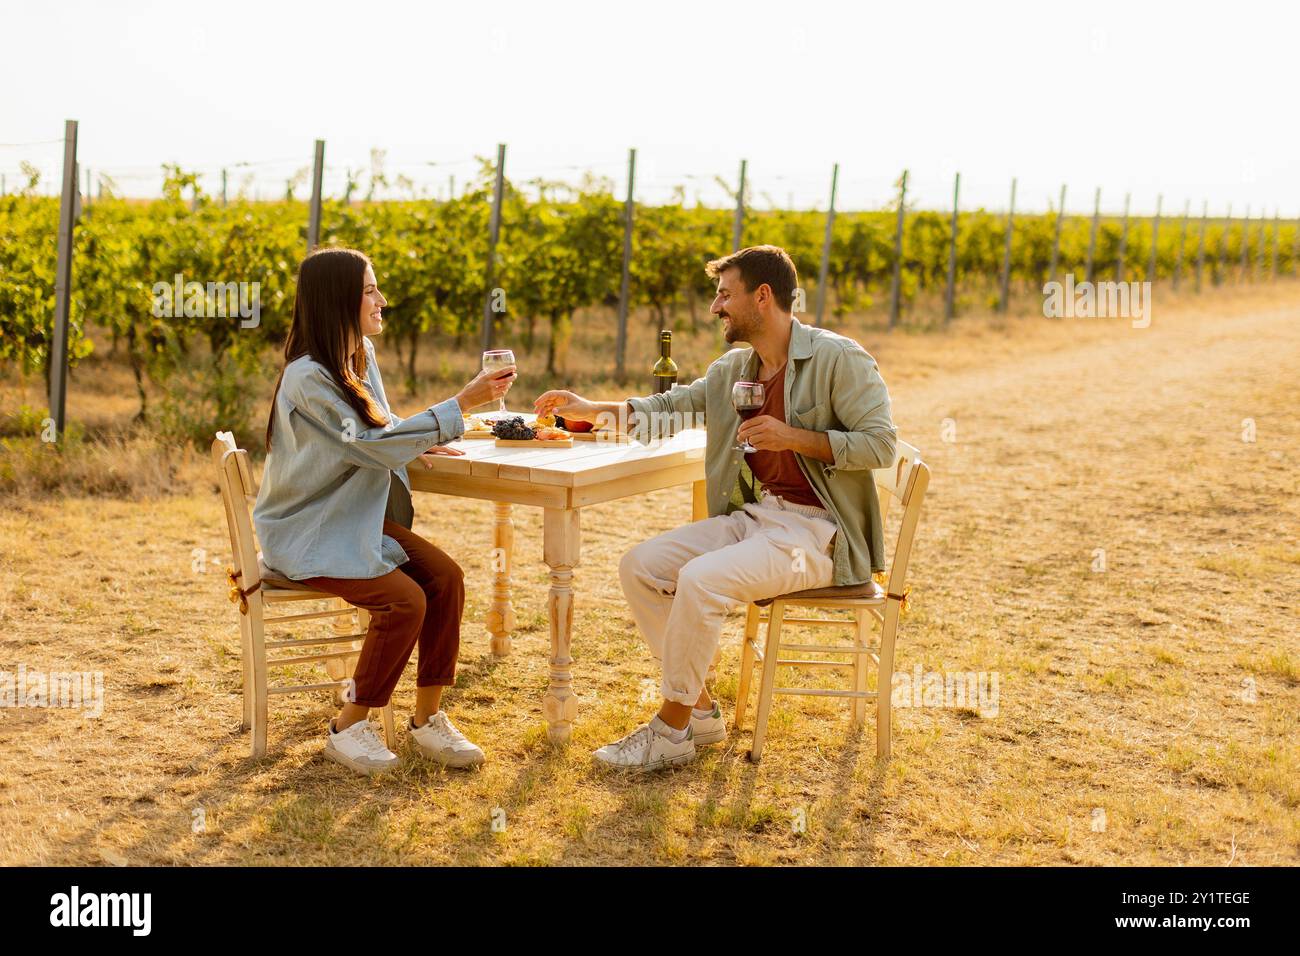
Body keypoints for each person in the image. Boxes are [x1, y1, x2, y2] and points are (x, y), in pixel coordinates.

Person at [534, 244, 897, 771]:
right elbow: (670, 407)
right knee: (640, 567)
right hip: (760, 518)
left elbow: (881, 445)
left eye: (725, 294)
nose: (714, 307)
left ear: (763, 296)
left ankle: (671, 730)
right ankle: (700, 711)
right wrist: (594, 409)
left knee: (701, 579)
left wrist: (793, 437)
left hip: (820, 534)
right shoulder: (733, 370)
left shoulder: (839, 359)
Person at [254, 247, 515, 775]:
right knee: (404, 603)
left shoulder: (360, 356)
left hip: (355, 518)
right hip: (310, 530)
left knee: (446, 578)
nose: (382, 300)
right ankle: (348, 726)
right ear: (338, 300)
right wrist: (458, 406)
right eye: (371, 290)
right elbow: (372, 445)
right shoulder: (308, 377)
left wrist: (419, 440)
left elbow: (381, 426)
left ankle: (427, 721)